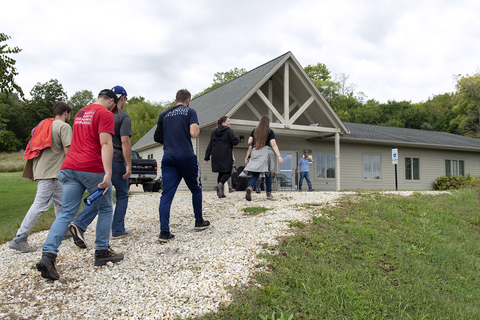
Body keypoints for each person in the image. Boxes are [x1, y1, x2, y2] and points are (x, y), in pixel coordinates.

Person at [36, 89, 124, 281]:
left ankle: (48, 256)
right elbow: (106, 144)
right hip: (91, 167)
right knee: (106, 208)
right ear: (111, 101)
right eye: (114, 105)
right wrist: (108, 173)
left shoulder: (81, 112)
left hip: (69, 166)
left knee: (67, 212)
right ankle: (102, 251)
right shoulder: (105, 114)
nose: (114, 109)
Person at [69, 85, 132, 249]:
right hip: (116, 160)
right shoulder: (122, 117)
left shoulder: (94, 114)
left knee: (101, 195)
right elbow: (125, 142)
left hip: (99, 160)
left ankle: (80, 223)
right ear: (122, 98)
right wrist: (129, 164)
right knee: (122, 195)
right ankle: (117, 229)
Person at [9, 102, 73, 252]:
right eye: (69, 114)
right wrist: (74, 171)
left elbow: (34, 150)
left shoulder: (42, 126)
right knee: (40, 204)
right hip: (51, 173)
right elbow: (68, 151)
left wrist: (32, 171)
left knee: (62, 202)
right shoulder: (64, 127)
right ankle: (20, 237)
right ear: (65, 113)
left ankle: (63, 230)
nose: (69, 117)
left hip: (46, 172)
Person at [157, 89, 210, 243]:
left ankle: (164, 232)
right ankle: (199, 221)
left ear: (175, 101)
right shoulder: (190, 111)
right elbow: (194, 133)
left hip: (168, 157)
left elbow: (159, 136)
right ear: (188, 100)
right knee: (196, 188)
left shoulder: (164, 114)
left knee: (166, 194)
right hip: (185, 156)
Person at [243, 115, 284, 201]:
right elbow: (273, 144)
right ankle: (268, 193)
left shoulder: (254, 130)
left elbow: (249, 141)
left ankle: (250, 187)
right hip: (265, 152)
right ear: (268, 122)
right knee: (268, 173)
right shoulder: (270, 131)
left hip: (255, 151)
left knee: (255, 173)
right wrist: (279, 156)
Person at [204, 116, 240, 198]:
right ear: (223, 122)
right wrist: (237, 140)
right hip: (225, 154)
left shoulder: (214, 132)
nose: (230, 122)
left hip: (216, 155)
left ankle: (221, 193)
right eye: (228, 121)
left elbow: (210, 144)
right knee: (228, 172)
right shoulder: (228, 131)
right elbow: (234, 141)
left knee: (221, 172)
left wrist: (207, 156)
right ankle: (220, 185)